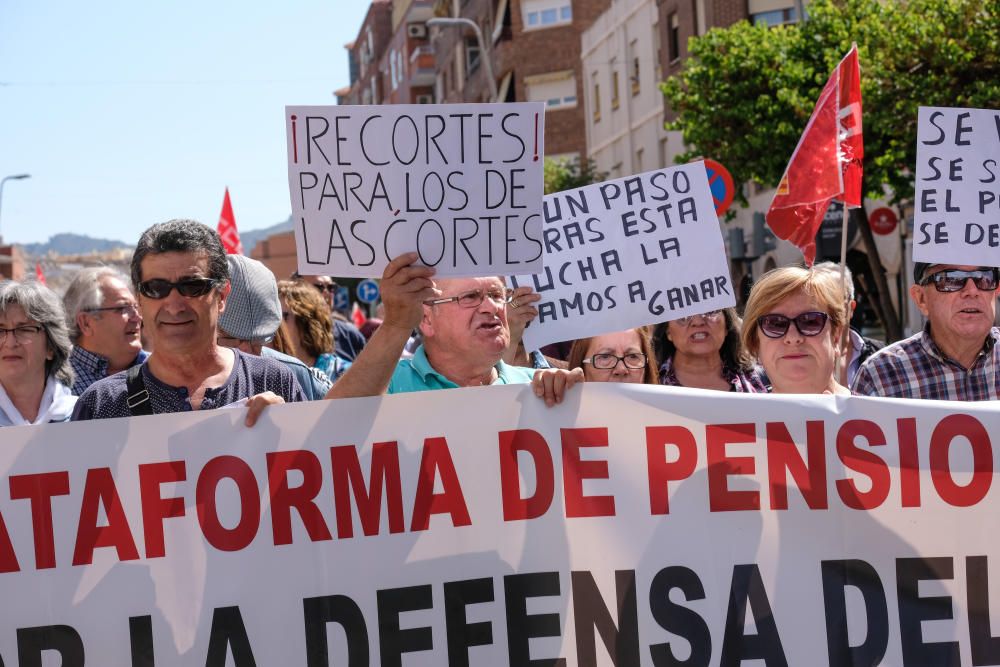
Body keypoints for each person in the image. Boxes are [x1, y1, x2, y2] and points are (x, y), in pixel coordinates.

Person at [73, 219, 304, 424]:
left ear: (222, 296)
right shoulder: (100, 406)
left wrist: (288, 433)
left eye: (192, 286)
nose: (174, 306)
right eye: (156, 288)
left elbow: (313, 468)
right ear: (139, 299)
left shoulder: (273, 380)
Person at [326, 254, 583, 406]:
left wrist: (570, 402)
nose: (490, 306)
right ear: (426, 319)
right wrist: (395, 324)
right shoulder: (388, 385)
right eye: (471, 297)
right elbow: (334, 430)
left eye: (496, 294)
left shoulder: (538, 387)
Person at [853, 262, 1000, 399]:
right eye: (951, 279)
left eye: (984, 277)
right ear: (921, 298)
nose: (972, 291)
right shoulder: (879, 376)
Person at [217, 255, 332, 400]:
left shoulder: (296, 374)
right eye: (233, 337)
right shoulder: (183, 378)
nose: (247, 350)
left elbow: (339, 416)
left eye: (259, 339)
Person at [741, 266, 850, 395]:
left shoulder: (877, 413)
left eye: (810, 321)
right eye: (775, 324)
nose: (793, 338)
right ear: (755, 343)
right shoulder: (737, 415)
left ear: (836, 336)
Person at [0, 280, 77, 425]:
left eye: (24, 329)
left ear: (51, 346)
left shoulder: (84, 415)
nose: (10, 343)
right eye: (0, 331)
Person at [62, 267, 148, 395]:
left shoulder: (164, 371)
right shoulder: (57, 385)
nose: (137, 317)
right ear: (86, 323)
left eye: (136, 307)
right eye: (123, 308)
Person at [654, 309, 767, 392]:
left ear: (727, 325)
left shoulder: (764, 379)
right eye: (683, 316)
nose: (698, 322)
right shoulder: (647, 382)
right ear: (668, 331)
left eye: (710, 311)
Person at [811, 261, 884, 387]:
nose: (826, 306)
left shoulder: (882, 355)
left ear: (851, 307)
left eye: (835, 297)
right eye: (816, 298)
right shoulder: (796, 357)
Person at [276, 280, 352, 383]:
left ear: (307, 321)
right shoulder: (266, 371)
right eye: (272, 316)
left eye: (283, 316)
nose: (276, 323)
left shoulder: (344, 373)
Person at [294, 272, 367, 361]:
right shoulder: (284, 334)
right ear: (295, 291)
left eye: (331, 287)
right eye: (319, 287)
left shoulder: (351, 336)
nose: (327, 293)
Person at [567, 328, 658, 384]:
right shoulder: (561, 414)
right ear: (581, 366)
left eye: (633, 356)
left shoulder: (667, 414)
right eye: (605, 357)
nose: (621, 369)